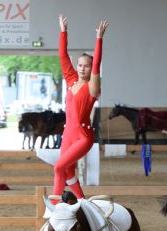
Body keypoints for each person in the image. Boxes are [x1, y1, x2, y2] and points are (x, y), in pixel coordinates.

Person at [52, 15, 108, 202]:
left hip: (83, 136)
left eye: (87, 66)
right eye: (80, 65)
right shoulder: (71, 80)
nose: (83, 68)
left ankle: (53, 205)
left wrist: (99, 38)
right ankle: (83, 202)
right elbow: (62, 55)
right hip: (68, 134)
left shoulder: (92, 87)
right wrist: (63, 32)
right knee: (67, 171)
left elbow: (97, 64)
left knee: (59, 167)